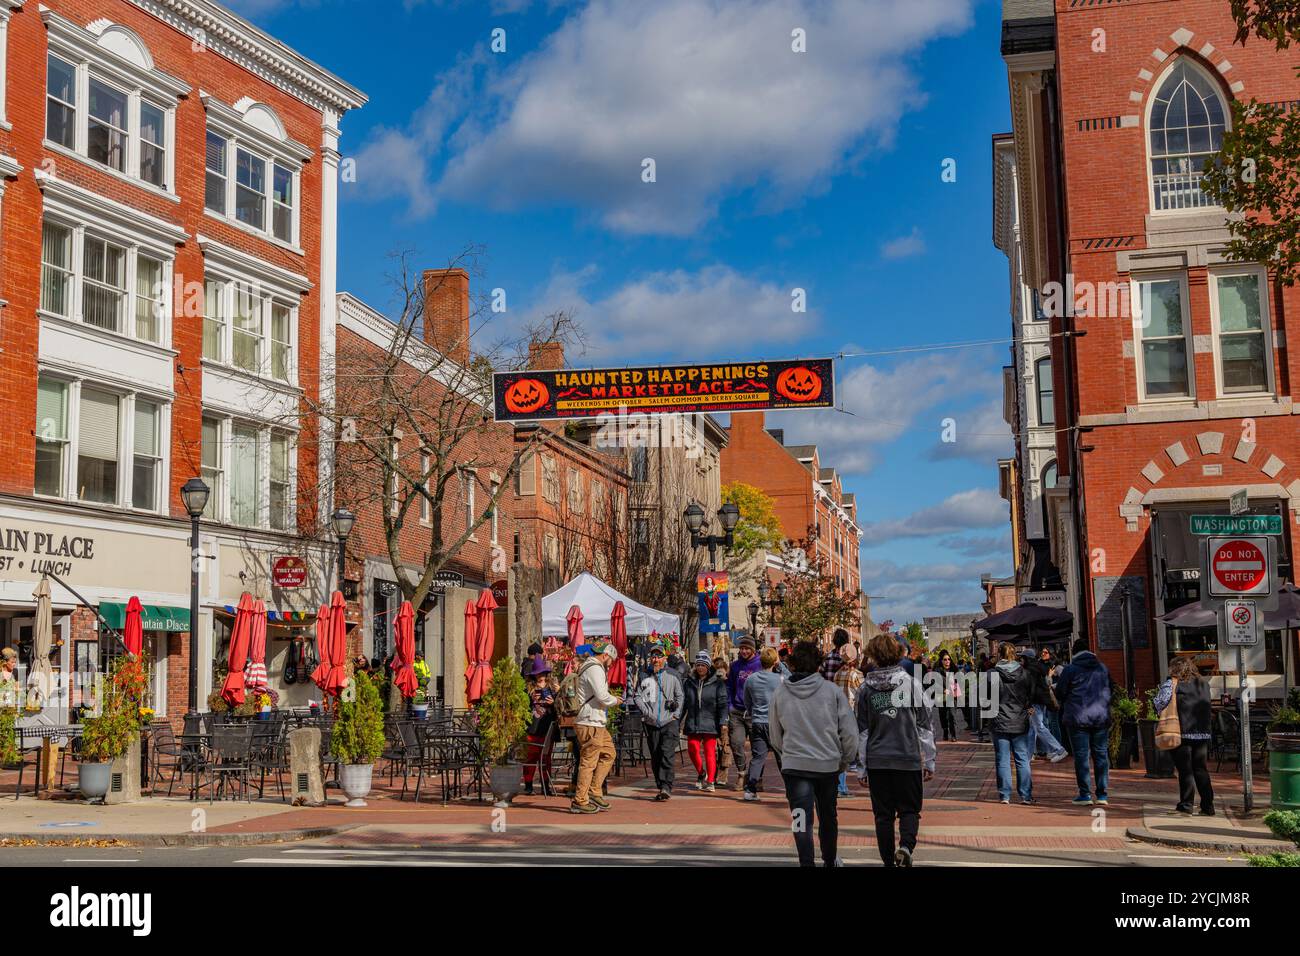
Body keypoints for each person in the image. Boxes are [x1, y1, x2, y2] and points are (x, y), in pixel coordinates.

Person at [769, 641, 858, 867]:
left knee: (800, 819)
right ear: (818, 664)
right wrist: (844, 760)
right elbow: (849, 733)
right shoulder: (832, 692)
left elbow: (775, 735)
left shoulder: (780, 693)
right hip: (827, 765)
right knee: (828, 816)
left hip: (795, 765)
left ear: (794, 663)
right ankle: (829, 859)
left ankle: (805, 861)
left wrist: (786, 753)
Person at [857, 633, 936, 867]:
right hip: (907, 756)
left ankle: (887, 862)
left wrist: (862, 767)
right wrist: (929, 759)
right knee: (909, 810)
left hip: (878, 759)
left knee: (883, 815)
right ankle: (905, 846)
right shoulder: (912, 684)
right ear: (898, 654)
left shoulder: (865, 690)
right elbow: (925, 724)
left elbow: (862, 731)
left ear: (873, 656)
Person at [1153, 657, 1215, 816]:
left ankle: (1186, 805)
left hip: (1181, 731)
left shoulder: (1172, 683)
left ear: (1175, 669)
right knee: (1201, 769)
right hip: (1202, 733)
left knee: (1185, 770)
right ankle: (1208, 806)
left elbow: (1160, 702)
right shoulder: (1204, 684)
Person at [1055, 638, 1112, 806]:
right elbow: (1112, 688)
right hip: (1100, 717)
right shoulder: (1102, 668)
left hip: (1077, 717)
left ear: (1074, 652)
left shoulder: (1070, 669)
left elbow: (1060, 692)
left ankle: (1085, 794)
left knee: (1081, 756)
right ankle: (1102, 794)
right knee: (1101, 755)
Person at [570, 641, 622, 814]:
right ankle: (580, 799)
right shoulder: (595, 668)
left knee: (609, 753)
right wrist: (615, 700)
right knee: (588, 761)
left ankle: (593, 791)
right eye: (612, 660)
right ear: (606, 655)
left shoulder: (592, 667)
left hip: (596, 721)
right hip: (589, 721)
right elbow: (602, 696)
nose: (611, 664)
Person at [634, 645, 684, 801]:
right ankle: (660, 784)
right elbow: (637, 696)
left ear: (664, 659)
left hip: (669, 721)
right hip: (652, 722)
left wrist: (676, 714)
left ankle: (666, 786)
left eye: (658, 657)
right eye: (653, 657)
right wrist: (647, 712)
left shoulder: (674, 675)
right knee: (655, 755)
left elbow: (680, 696)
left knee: (666, 753)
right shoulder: (644, 676)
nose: (655, 660)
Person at [988, 642, 1034, 804]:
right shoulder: (1024, 673)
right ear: (1014, 655)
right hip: (1020, 720)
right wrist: (1027, 706)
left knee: (1002, 759)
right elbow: (1030, 695)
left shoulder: (991, 674)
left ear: (999, 655)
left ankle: (1005, 795)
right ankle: (1025, 795)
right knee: (1022, 758)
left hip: (999, 719)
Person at [682, 650, 728, 791]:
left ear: (708, 666)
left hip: (710, 722)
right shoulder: (688, 682)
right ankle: (701, 772)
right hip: (693, 721)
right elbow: (684, 703)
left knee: (709, 752)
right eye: (698, 665)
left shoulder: (718, 683)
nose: (700, 667)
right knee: (692, 749)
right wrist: (677, 719)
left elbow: (722, 703)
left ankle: (711, 781)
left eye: (703, 665)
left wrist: (723, 722)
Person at [742, 647, 783, 801]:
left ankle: (750, 789)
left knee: (758, 757)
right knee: (781, 756)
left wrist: (753, 712)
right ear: (774, 661)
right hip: (775, 722)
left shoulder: (751, 679)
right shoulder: (780, 679)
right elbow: (791, 681)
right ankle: (791, 788)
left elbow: (747, 701)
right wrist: (781, 665)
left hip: (758, 721)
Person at [725, 636, 762, 790]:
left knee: (758, 748)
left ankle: (757, 778)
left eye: (747, 648)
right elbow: (729, 687)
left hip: (755, 713)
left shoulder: (760, 664)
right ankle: (741, 774)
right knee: (736, 743)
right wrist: (730, 705)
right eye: (742, 648)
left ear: (753, 649)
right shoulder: (735, 666)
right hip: (737, 712)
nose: (744, 651)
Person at [1020, 649, 1068, 763]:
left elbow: (1030, 689)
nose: (1021, 660)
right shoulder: (1038, 667)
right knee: (1034, 727)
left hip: (1034, 703)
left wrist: (1028, 704)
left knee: (1039, 727)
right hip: (1040, 702)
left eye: (1023, 658)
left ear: (1027, 658)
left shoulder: (1030, 670)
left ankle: (1059, 749)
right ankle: (1030, 754)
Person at [833, 644, 864, 796]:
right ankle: (842, 786)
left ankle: (841, 785)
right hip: (853, 713)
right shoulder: (856, 674)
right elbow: (863, 693)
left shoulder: (837, 674)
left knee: (840, 750)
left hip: (839, 714)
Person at [522, 659, 556, 796]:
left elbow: (558, 708)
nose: (540, 676)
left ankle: (545, 785)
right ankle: (528, 785)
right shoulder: (528, 689)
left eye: (542, 673)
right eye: (538, 673)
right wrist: (531, 699)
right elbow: (524, 708)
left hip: (547, 728)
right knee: (530, 757)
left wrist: (553, 702)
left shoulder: (552, 688)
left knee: (545, 758)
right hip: (532, 727)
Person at [934, 650, 960, 742]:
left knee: (952, 715)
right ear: (941, 661)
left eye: (949, 659)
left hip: (952, 696)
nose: (947, 661)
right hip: (941, 697)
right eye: (945, 659)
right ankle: (945, 731)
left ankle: (953, 735)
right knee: (943, 716)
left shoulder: (954, 670)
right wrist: (943, 690)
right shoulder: (937, 671)